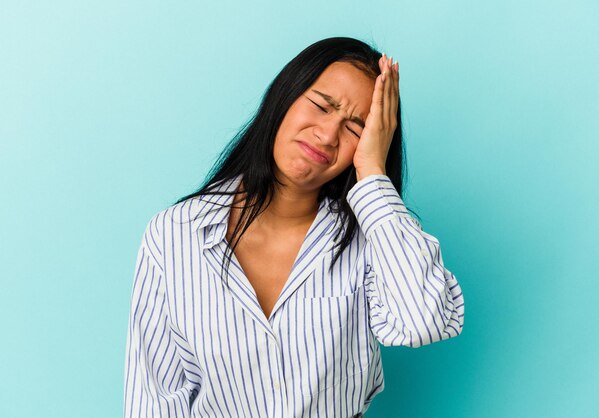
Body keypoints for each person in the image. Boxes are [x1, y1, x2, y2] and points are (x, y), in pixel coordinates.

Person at [123, 36, 465, 418]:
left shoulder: (374, 239)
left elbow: (422, 321)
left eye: (356, 127)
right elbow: (156, 398)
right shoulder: (175, 234)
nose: (328, 134)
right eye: (321, 106)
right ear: (284, 98)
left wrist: (371, 172)